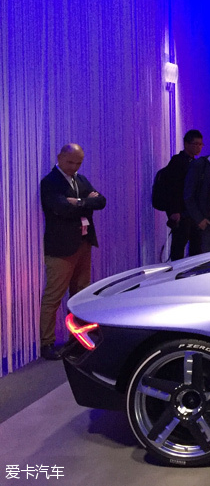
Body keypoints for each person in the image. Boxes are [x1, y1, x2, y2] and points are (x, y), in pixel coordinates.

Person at [39, 144, 107, 360]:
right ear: (59, 158)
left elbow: (101, 201)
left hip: (83, 242)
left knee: (80, 292)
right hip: (61, 247)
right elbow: (60, 208)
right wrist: (87, 203)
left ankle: (76, 337)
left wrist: (78, 202)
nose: (74, 166)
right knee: (54, 295)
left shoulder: (80, 179)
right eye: (70, 162)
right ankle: (47, 343)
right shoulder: (50, 182)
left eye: (78, 163)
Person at [161, 129, 203, 260]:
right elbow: (172, 188)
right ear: (186, 144)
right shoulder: (177, 162)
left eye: (200, 144)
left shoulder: (194, 163)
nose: (198, 147)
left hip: (192, 213)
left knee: (196, 247)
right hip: (181, 212)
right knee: (179, 247)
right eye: (195, 144)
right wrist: (174, 210)